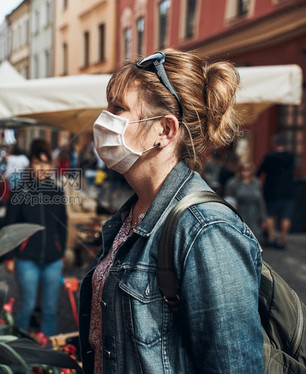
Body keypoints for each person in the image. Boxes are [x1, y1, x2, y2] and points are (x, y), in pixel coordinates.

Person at [78, 49, 264, 373]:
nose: (102, 118)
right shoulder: (132, 212)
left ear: (164, 130)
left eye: (118, 108)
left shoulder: (207, 231)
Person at [4, 139, 68, 337]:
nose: (42, 167)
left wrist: (61, 252)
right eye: (37, 162)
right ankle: (19, 347)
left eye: (45, 163)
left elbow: (62, 225)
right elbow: (10, 226)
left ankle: (48, 350)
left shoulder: (57, 192)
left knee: (50, 309)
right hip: (26, 259)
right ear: (31, 165)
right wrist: (10, 256)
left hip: (53, 260)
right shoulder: (19, 192)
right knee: (27, 306)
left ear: (51, 166)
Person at [256, 133, 295, 249]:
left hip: (272, 190)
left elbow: (260, 172)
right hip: (288, 190)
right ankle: (283, 240)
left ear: (275, 143)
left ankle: (272, 237)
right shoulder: (290, 157)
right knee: (286, 217)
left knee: (270, 215)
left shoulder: (270, 157)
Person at [224, 161, 266, 239]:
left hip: (254, 214)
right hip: (239, 213)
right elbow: (228, 200)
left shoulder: (256, 183)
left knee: (254, 237)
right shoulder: (233, 183)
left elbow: (260, 201)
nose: (246, 172)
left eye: (248, 169)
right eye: (243, 169)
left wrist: (263, 217)